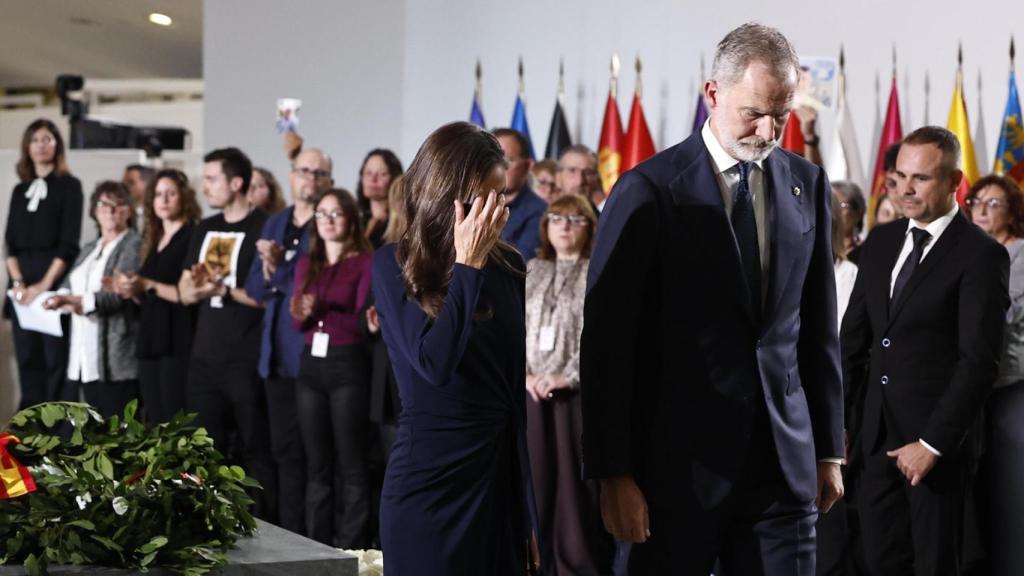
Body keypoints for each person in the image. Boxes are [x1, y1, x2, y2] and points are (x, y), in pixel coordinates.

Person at [581, 23, 844, 575]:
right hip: (673, 472)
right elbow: (607, 345)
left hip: (782, 468)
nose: (769, 129)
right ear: (713, 93)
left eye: (783, 112)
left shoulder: (809, 184)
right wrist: (613, 473)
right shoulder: (645, 191)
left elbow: (816, 329)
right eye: (754, 112)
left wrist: (828, 450)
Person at [841, 126, 1008, 576]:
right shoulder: (880, 242)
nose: (906, 190)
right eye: (899, 177)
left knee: (935, 566)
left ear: (956, 182)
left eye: (922, 179)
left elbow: (979, 361)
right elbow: (853, 342)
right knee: (877, 563)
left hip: (937, 451)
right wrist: (842, 428)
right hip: (873, 445)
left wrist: (932, 444)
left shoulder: (981, 255)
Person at [373, 121, 539, 575]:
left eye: (502, 197)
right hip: (428, 485)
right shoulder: (394, 264)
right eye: (485, 199)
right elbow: (434, 363)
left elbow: (511, 398)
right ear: (448, 193)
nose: (497, 213)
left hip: (494, 486)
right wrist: (467, 265)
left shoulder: (510, 266)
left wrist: (527, 513)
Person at [178, 147, 275, 517]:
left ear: (236, 183)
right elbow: (185, 291)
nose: (204, 187)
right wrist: (201, 288)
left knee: (254, 448)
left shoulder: (264, 227)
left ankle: (265, 528)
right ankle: (210, 523)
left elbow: (268, 295)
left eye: (211, 179)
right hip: (204, 357)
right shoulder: (204, 228)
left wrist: (223, 290)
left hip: (245, 357)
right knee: (204, 449)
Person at [244, 147, 333, 536]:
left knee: (315, 456)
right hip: (275, 357)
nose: (310, 178)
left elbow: (315, 285)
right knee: (282, 454)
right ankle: (284, 534)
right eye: (304, 170)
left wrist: (278, 269)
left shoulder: (330, 223)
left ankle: (311, 539)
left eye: (319, 172)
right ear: (292, 175)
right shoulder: (274, 221)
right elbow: (252, 287)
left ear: (329, 181)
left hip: (312, 355)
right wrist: (269, 269)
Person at [525, 194, 610, 575]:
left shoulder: (598, 271)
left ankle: (576, 565)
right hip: (531, 393)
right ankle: (537, 562)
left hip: (575, 394)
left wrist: (567, 376)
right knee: (538, 482)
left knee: (575, 490)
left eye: (575, 220)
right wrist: (525, 376)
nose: (564, 226)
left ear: (590, 228)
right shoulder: (533, 269)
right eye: (557, 217)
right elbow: (516, 330)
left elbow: (599, 339)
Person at [290, 188, 373, 547]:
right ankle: (316, 545)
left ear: (351, 219)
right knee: (316, 464)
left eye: (335, 213)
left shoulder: (365, 261)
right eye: (321, 214)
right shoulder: (307, 263)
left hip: (346, 364)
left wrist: (325, 307)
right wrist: (302, 311)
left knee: (351, 463)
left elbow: (361, 319)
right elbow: (296, 325)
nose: (327, 221)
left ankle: (351, 546)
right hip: (311, 365)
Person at [964, 175, 1024, 576]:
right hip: (971, 391)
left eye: (994, 203)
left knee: (1008, 496)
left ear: (1014, 212)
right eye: (976, 200)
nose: (982, 209)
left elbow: (1005, 313)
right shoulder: (968, 251)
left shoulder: (1018, 252)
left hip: (1009, 389)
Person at [4, 118, 84, 408]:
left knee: (55, 360)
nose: (41, 145)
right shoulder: (19, 190)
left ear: (57, 146)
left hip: (52, 281)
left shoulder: (70, 186)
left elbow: (68, 244)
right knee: (28, 359)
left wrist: (42, 286)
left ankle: (56, 433)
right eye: (35, 139)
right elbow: (10, 243)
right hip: (21, 285)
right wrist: (18, 283)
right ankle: (28, 433)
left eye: (47, 139)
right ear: (27, 146)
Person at [44, 181, 141, 417]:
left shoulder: (133, 244)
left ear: (128, 210)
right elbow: (67, 286)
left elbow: (116, 294)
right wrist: (54, 299)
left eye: (118, 204)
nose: (110, 210)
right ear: (94, 211)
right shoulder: (89, 248)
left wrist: (73, 302)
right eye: (103, 204)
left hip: (114, 357)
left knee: (115, 430)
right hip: (82, 354)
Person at [113, 169, 201, 425]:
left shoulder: (192, 234)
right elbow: (147, 291)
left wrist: (147, 283)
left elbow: (185, 294)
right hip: (151, 335)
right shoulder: (153, 238)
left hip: (178, 336)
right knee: (155, 416)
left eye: (171, 194)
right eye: (158, 194)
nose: (163, 200)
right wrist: (131, 289)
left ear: (184, 197)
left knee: (176, 416)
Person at [494, 127, 547, 260]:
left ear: (528, 166)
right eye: (494, 160)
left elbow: (522, 262)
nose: (500, 167)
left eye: (508, 160)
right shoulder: (473, 204)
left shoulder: (539, 211)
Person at [355, 149, 403, 248]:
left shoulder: (401, 223)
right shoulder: (356, 221)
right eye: (368, 173)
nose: (373, 179)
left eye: (382, 174)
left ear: (395, 178)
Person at [557, 145, 604, 213]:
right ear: (558, 177)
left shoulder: (608, 219)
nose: (580, 181)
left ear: (597, 178)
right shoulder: (542, 218)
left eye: (588, 172)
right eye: (572, 171)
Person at [832, 181, 866, 263]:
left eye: (839, 205)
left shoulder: (865, 254)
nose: (833, 211)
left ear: (858, 213)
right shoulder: (815, 248)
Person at [124, 163, 155, 229]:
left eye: (131, 182)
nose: (125, 187)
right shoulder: (121, 214)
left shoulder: (158, 214)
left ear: (147, 184)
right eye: (124, 183)